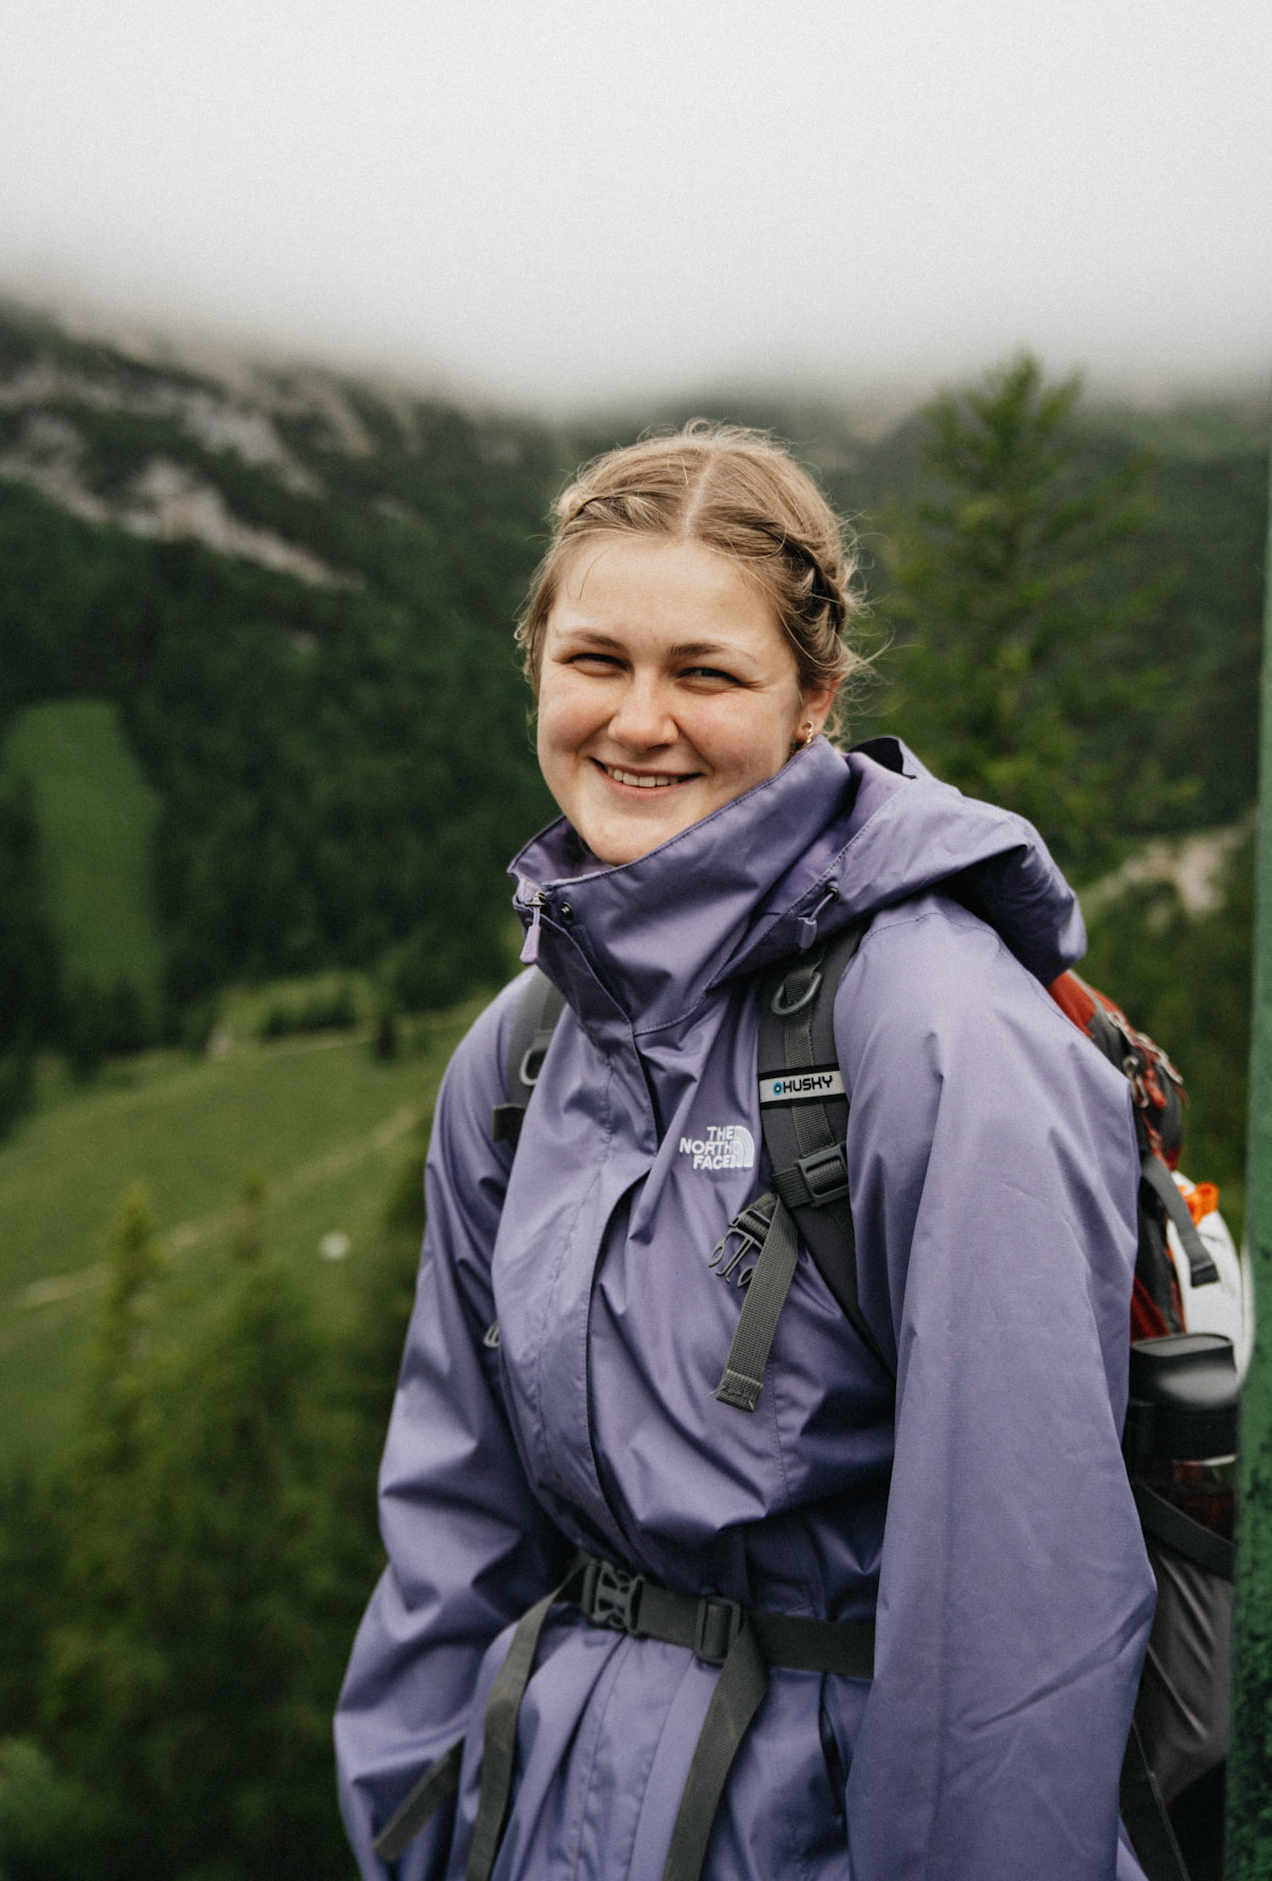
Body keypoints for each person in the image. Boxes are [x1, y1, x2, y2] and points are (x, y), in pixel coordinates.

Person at [335, 423, 1155, 1881]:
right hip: (543, 1820)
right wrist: (413, 1832)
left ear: (812, 700)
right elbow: (454, 1518)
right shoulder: (523, 1055)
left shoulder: (939, 1039)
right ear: (536, 667)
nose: (639, 721)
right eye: (596, 661)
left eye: (705, 674)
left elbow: (1020, 1634)